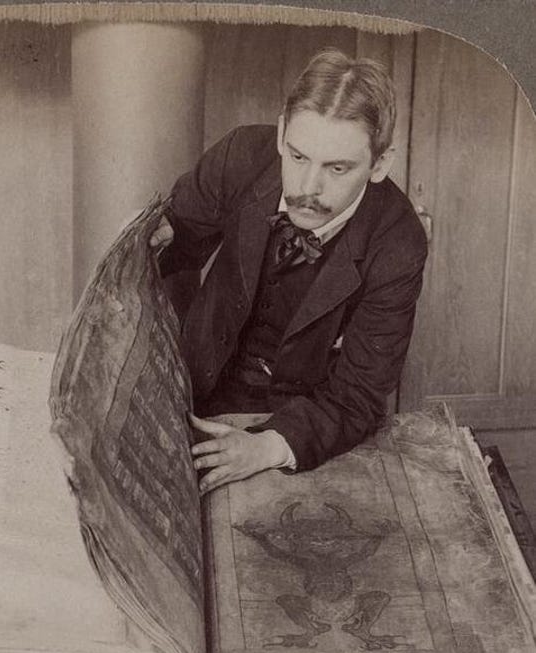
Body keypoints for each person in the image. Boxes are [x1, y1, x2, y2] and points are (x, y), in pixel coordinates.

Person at [150, 48, 428, 494]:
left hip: (300, 426)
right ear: (281, 133)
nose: (307, 189)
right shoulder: (240, 155)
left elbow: (358, 395)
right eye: (298, 157)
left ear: (380, 164)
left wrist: (270, 446)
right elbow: (170, 244)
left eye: (337, 168)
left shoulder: (399, 241)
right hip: (196, 388)